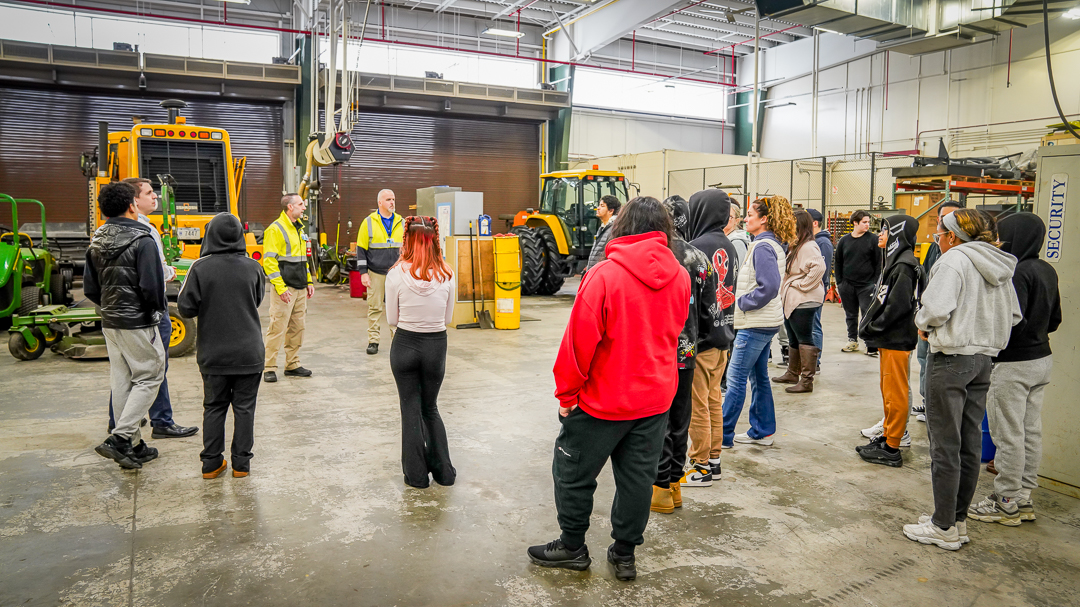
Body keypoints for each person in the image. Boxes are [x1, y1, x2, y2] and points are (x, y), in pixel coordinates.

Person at [528, 197, 690, 582]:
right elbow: (674, 331)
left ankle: (572, 547)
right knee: (637, 481)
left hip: (602, 402)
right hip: (654, 401)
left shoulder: (604, 275)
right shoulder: (680, 276)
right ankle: (625, 553)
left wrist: (567, 396)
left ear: (623, 227)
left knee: (573, 473)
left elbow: (577, 345)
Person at [905, 209, 1021, 551]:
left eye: (939, 233)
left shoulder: (954, 260)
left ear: (953, 236)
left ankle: (942, 527)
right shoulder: (998, 263)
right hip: (984, 360)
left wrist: (923, 322)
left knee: (945, 446)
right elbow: (1013, 314)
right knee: (970, 444)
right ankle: (956, 521)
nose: (936, 239)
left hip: (952, 359)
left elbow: (936, 309)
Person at [968, 213, 1060, 526]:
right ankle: (1023, 499)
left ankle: (1004, 501)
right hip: (1041, 361)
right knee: (1030, 431)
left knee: (1008, 434)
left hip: (1013, 366)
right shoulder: (1047, 270)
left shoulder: (1016, 272)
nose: (999, 243)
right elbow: (1056, 319)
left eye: (1003, 237)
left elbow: (1009, 321)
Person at [105, 178, 197, 439]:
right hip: (146, 313)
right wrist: (166, 281)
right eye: (148, 193)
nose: (155, 196)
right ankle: (161, 422)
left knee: (124, 372)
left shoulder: (105, 232)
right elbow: (154, 275)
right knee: (155, 369)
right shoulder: (145, 232)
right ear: (133, 202)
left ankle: (120, 420)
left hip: (114, 314)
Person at [85, 182, 167, 469]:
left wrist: (112, 308)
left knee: (122, 381)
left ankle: (133, 446)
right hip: (138, 322)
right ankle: (120, 439)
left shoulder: (96, 240)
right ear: (132, 205)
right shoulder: (142, 240)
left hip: (110, 321)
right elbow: (152, 287)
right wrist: (154, 312)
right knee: (149, 376)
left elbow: (90, 288)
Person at [177, 213, 266, 479]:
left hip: (213, 353)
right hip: (249, 352)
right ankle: (241, 465)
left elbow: (185, 307)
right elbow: (257, 300)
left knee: (214, 407)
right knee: (245, 408)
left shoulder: (200, 267)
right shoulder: (254, 267)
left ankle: (211, 464)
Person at [651, 196, 718, 514]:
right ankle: (675, 486)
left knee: (657, 422)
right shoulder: (698, 257)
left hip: (656, 353)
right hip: (687, 352)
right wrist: (694, 338)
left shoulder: (655, 256)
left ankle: (659, 488)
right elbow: (708, 311)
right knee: (680, 421)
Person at [385, 216, 457, 489]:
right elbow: (448, 317)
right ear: (435, 241)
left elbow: (392, 319)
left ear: (408, 240)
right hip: (435, 346)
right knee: (430, 408)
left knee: (409, 409)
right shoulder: (447, 274)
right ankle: (444, 473)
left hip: (404, 344)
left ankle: (416, 476)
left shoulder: (396, 274)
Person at [721, 195, 795, 448]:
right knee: (758, 377)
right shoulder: (766, 243)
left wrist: (740, 303)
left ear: (764, 219)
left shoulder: (763, 246)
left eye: (750, 215)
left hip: (755, 324)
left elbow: (769, 287)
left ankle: (722, 436)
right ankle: (762, 430)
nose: (745, 218)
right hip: (764, 322)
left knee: (736, 380)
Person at [854, 215, 923, 467]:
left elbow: (898, 306)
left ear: (897, 233)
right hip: (888, 338)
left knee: (896, 391)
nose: (880, 235)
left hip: (896, 338)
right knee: (888, 390)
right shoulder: (895, 262)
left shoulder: (904, 265)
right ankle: (887, 434)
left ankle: (893, 445)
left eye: (885, 230)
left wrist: (874, 326)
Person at [682, 189, 738, 487]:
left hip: (702, 340)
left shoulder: (695, 248)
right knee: (714, 399)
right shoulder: (729, 245)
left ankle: (700, 465)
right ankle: (714, 459)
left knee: (697, 404)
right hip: (724, 335)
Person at [913, 200, 963, 423]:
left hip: (946, 326)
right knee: (924, 359)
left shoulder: (959, 258)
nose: (944, 222)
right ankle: (927, 402)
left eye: (950, 217)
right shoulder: (935, 246)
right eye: (942, 218)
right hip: (928, 316)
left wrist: (928, 319)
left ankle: (935, 407)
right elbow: (925, 277)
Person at [771, 210, 825, 393]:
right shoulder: (798, 245)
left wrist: (801, 285)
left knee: (804, 338)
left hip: (804, 301)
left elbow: (819, 268)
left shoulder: (809, 246)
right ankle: (792, 372)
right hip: (795, 300)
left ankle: (807, 381)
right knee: (794, 337)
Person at [262, 194, 314, 383]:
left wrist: (308, 282)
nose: (304, 207)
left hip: (300, 288)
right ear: (290, 207)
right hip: (285, 289)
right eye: (300, 204)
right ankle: (269, 366)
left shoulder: (299, 229)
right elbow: (269, 262)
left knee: (297, 328)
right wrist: (281, 288)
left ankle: (292, 364)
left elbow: (303, 260)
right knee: (278, 327)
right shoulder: (275, 229)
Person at [357, 189, 404, 355]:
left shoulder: (402, 222)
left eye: (393, 199)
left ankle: (397, 340)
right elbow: (361, 249)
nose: (392, 202)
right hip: (376, 272)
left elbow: (407, 248)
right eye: (388, 199)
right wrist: (363, 272)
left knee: (397, 308)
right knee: (375, 307)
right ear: (380, 203)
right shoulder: (368, 222)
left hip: (397, 274)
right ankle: (373, 341)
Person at [834, 210, 880, 356]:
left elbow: (879, 263)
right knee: (851, 314)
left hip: (867, 285)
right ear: (855, 222)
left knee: (868, 314)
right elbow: (838, 262)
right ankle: (852, 340)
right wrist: (840, 282)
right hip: (847, 285)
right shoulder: (844, 241)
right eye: (864, 222)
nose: (867, 225)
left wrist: (875, 283)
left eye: (868, 222)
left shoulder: (873, 240)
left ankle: (870, 344)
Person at [806, 208, 833, 357]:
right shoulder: (812, 241)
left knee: (814, 325)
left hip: (816, 290)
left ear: (814, 223)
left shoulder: (823, 243)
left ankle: (815, 360)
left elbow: (822, 270)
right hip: (809, 290)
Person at [585, 195, 621, 271]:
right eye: (599, 205)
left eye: (602, 206)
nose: (598, 208)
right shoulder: (603, 227)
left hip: (601, 273)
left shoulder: (614, 229)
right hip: (595, 272)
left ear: (611, 211)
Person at [727, 201, 751, 267]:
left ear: (736, 221)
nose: (725, 219)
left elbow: (739, 268)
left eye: (729, 216)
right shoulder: (723, 238)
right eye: (723, 215)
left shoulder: (737, 242)